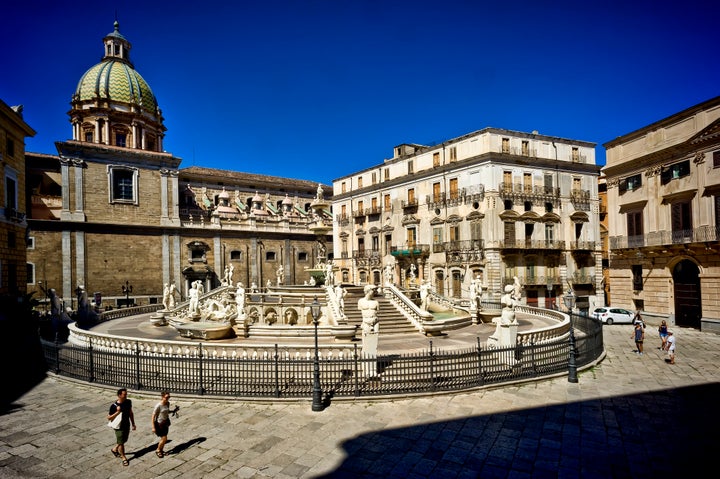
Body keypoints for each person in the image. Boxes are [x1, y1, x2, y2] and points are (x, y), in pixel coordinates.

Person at [108, 388, 136, 466]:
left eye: (126, 394)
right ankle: (123, 457)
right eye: (124, 394)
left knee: (124, 440)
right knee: (121, 442)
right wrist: (117, 412)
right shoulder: (114, 406)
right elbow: (109, 418)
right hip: (118, 426)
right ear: (119, 395)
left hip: (126, 424)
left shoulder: (128, 402)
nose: (126, 396)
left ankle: (114, 449)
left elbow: (131, 413)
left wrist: (133, 423)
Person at [151, 391, 172, 458]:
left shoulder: (167, 403)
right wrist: (153, 427)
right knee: (164, 438)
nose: (168, 398)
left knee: (164, 437)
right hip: (159, 424)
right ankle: (158, 450)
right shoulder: (158, 406)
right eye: (166, 397)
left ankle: (161, 450)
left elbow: (167, 412)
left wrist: (174, 411)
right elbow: (153, 416)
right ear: (162, 397)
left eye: (169, 397)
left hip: (166, 423)